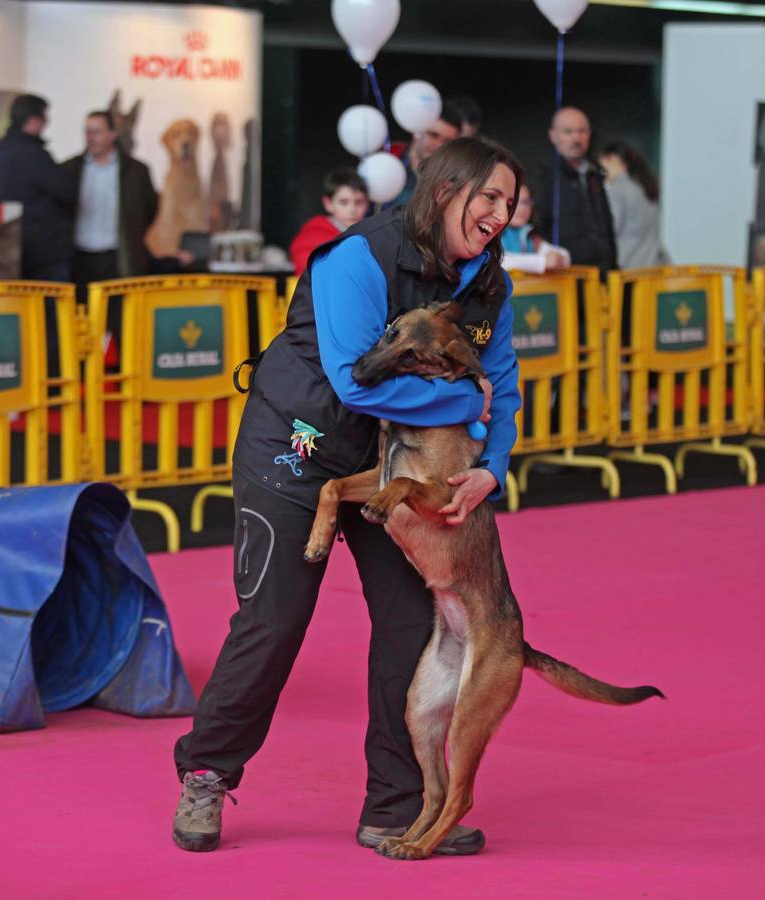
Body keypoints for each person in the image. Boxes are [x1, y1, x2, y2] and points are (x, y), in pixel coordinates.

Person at [171, 138, 525, 857]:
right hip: (296, 445)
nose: (499, 214)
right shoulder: (357, 256)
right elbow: (353, 381)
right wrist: (460, 398)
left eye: (509, 204)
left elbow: (506, 380)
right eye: (488, 197)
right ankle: (206, 772)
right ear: (445, 189)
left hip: (388, 463)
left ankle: (395, 809)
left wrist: (493, 464)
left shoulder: (488, 283)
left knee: (411, 628)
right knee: (273, 623)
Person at [61, 110, 159, 297]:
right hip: (80, 259)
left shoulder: (136, 171)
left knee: (119, 316)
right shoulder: (70, 168)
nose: (91, 138)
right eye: (87, 132)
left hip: (118, 258)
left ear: (113, 134)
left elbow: (149, 209)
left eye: (97, 132)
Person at [0, 94, 77, 282]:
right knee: (52, 309)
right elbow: (67, 191)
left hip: (10, 248)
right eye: (45, 119)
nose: (45, 125)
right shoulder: (34, 155)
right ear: (33, 120)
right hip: (44, 253)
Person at [531, 106, 618, 275]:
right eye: (568, 132)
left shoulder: (595, 173)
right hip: (564, 279)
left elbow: (607, 227)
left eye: (582, 131)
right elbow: (535, 228)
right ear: (552, 135)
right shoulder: (543, 177)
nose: (576, 138)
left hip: (603, 276)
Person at [599, 142, 670, 269]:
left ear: (612, 160)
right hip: (654, 265)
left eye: (602, 168)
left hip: (627, 267)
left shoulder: (618, 190)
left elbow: (610, 229)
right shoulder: (646, 186)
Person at [388, 99, 470, 207]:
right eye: (433, 135)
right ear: (417, 130)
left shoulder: (457, 181)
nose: (438, 145)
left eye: (447, 141)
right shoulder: (387, 159)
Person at [288, 168, 370, 272]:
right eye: (344, 202)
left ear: (368, 203)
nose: (352, 209)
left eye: (359, 202)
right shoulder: (309, 239)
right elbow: (308, 278)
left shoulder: (374, 234)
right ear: (328, 204)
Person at [500, 183, 570, 274]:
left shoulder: (530, 237)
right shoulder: (494, 233)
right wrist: (543, 262)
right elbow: (500, 261)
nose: (521, 209)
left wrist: (558, 258)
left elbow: (564, 254)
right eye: (514, 201)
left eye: (526, 202)